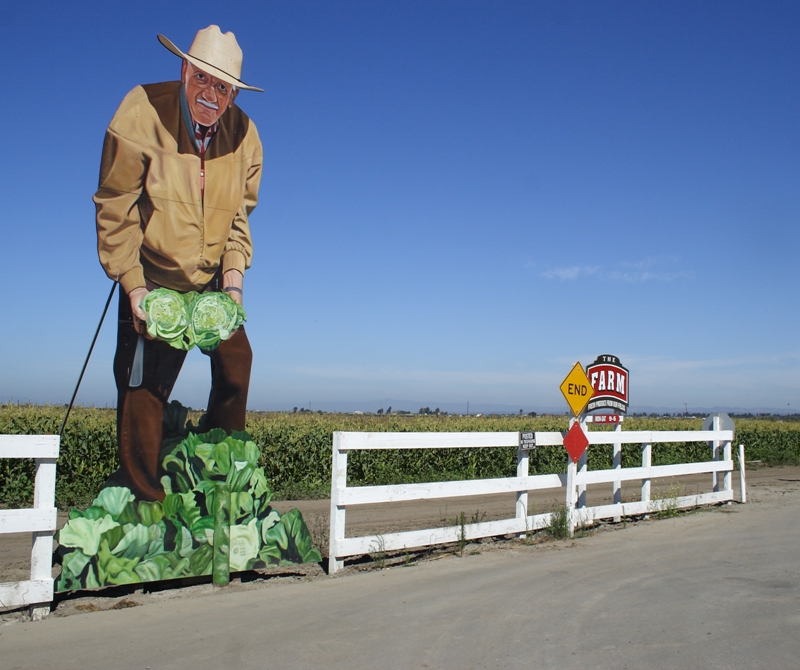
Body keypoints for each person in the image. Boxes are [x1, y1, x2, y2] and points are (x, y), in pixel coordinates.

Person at [94, 26, 263, 501]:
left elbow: (238, 221)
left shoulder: (246, 138)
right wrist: (134, 287)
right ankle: (145, 500)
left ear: (232, 95)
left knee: (237, 363)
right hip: (153, 275)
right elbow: (115, 207)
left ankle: (220, 472)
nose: (210, 94)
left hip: (211, 280)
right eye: (203, 79)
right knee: (143, 390)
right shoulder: (139, 113)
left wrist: (232, 287)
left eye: (223, 87)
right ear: (185, 69)